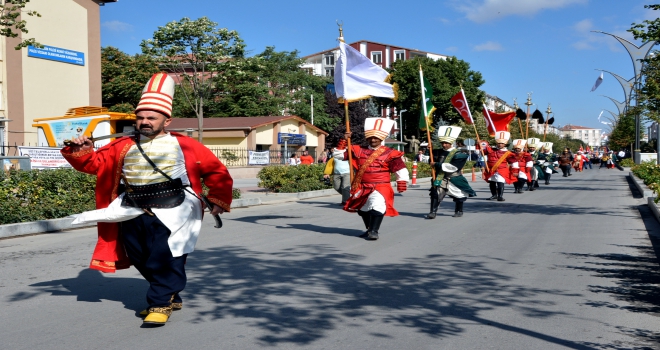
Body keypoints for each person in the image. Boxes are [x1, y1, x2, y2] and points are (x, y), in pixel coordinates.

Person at [61, 73, 233, 326]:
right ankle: (170, 291)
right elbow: (94, 165)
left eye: (151, 117)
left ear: (167, 120)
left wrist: (218, 197)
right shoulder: (120, 145)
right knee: (139, 256)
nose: (144, 121)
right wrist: (80, 150)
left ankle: (160, 303)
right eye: (140, 117)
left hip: (175, 208)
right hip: (131, 207)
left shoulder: (185, 145)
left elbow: (216, 171)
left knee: (165, 255)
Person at [334, 118, 409, 241]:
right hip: (362, 185)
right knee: (362, 209)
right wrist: (344, 139)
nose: (373, 140)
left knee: (377, 206)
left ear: (381, 138)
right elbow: (339, 155)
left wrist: (402, 182)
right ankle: (369, 229)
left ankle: (374, 231)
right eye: (370, 137)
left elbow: (400, 169)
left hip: (380, 186)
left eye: (376, 138)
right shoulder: (358, 150)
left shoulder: (391, 153)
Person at [426, 126, 476, 219]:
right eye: (442, 143)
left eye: (446, 143)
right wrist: (430, 151)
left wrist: (437, 164)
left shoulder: (460, 154)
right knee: (435, 193)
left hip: (454, 177)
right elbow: (430, 161)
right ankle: (432, 212)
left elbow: (453, 167)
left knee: (458, 195)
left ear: (451, 142)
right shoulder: (437, 152)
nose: (444, 145)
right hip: (440, 177)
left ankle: (459, 210)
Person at [478, 131, 515, 202]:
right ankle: (494, 195)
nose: (500, 144)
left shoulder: (508, 153)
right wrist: (479, 144)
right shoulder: (491, 150)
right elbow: (482, 152)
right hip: (491, 169)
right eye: (499, 143)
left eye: (502, 143)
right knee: (492, 182)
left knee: (500, 182)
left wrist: (515, 170)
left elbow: (513, 162)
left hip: (501, 170)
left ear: (505, 144)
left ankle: (500, 196)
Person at [323, 140, 350, 205]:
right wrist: (327, 173)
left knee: (345, 187)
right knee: (336, 187)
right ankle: (348, 197)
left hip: (347, 173)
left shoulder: (348, 155)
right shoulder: (335, 156)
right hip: (337, 173)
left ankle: (345, 201)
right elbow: (330, 165)